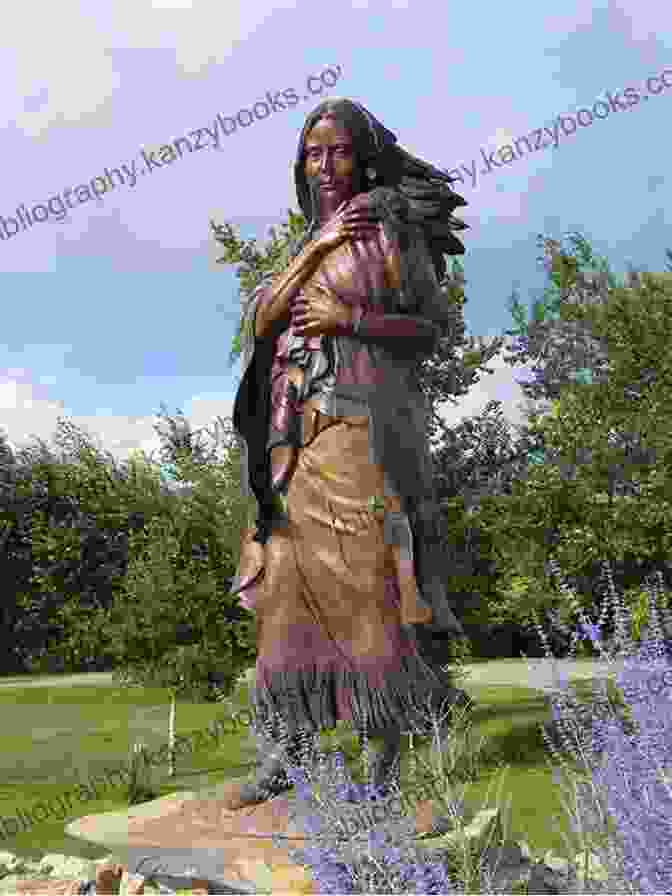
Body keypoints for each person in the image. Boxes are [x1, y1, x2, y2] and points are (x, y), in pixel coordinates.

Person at [225, 98, 472, 810]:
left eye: (336, 152)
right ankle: (288, 745)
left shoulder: (389, 229)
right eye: (312, 153)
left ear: (361, 158)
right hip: (292, 439)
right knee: (284, 585)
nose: (324, 166)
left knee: (367, 582)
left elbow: (432, 328)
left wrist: (350, 318)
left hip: (359, 429)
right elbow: (263, 318)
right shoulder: (322, 235)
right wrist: (320, 242)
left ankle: (380, 755)